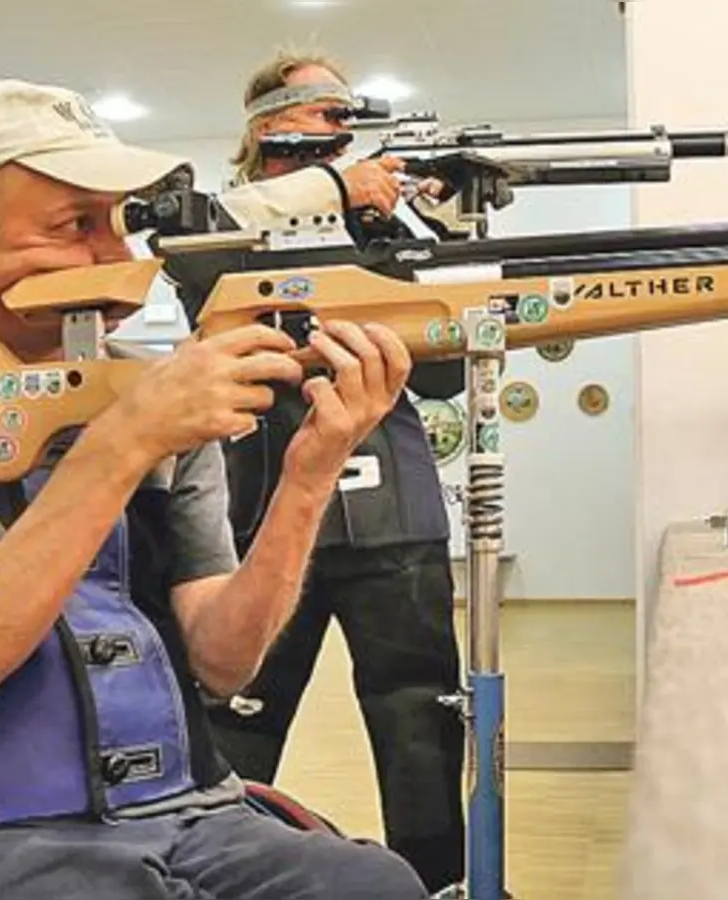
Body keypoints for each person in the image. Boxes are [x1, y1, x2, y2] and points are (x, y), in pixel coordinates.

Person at [0, 78, 430, 900]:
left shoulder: (147, 388)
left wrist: (310, 475)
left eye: (118, 223)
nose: (118, 260)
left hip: (187, 806)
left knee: (377, 885)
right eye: (73, 227)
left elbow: (224, 663)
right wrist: (126, 440)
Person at [204, 49, 467, 894]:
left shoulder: (378, 230)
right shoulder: (224, 218)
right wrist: (335, 192)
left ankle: (434, 885)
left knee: (419, 726)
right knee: (234, 727)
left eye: (349, 117)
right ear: (270, 126)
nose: (344, 131)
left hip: (392, 514)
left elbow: (444, 374)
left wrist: (412, 232)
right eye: (326, 114)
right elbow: (207, 292)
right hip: (266, 513)